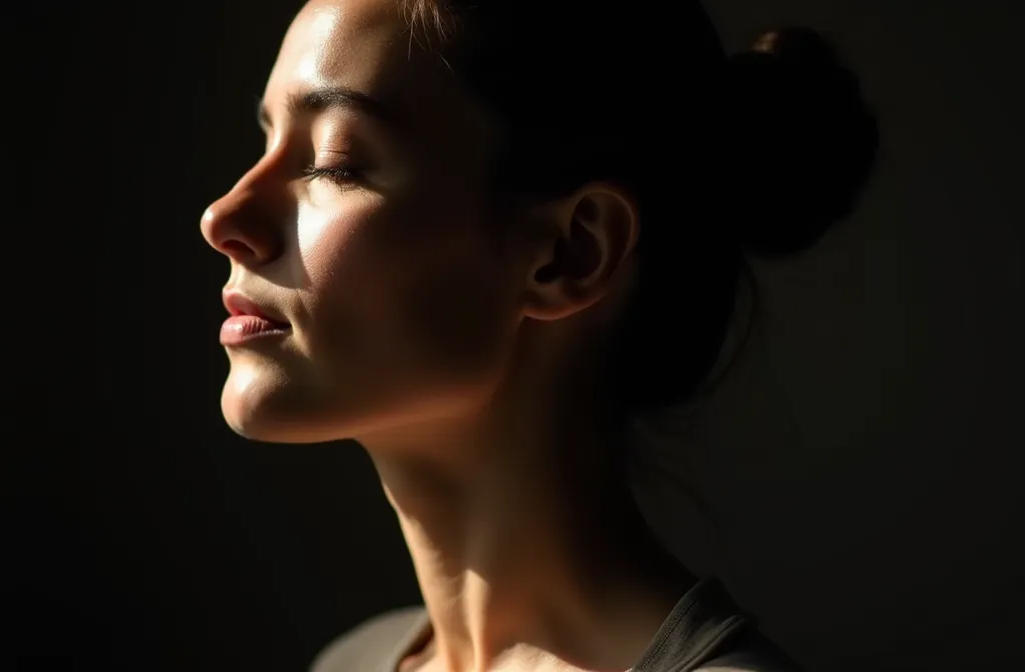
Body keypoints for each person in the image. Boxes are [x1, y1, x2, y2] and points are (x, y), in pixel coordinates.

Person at [199, 0, 877, 669]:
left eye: (333, 160)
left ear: (570, 253)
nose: (223, 216)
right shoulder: (350, 663)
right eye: (267, 141)